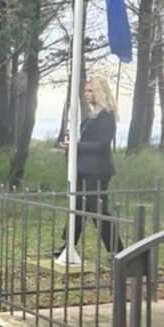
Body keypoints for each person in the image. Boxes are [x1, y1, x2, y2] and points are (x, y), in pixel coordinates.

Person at [57, 75, 124, 256]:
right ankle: (67, 247)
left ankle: (118, 252)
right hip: (83, 169)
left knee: (98, 211)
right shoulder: (91, 115)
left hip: (97, 171)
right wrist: (70, 147)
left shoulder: (106, 115)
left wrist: (75, 145)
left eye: (90, 90)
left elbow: (101, 144)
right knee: (77, 208)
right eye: (86, 90)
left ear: (100, 92)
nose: (86, 94)